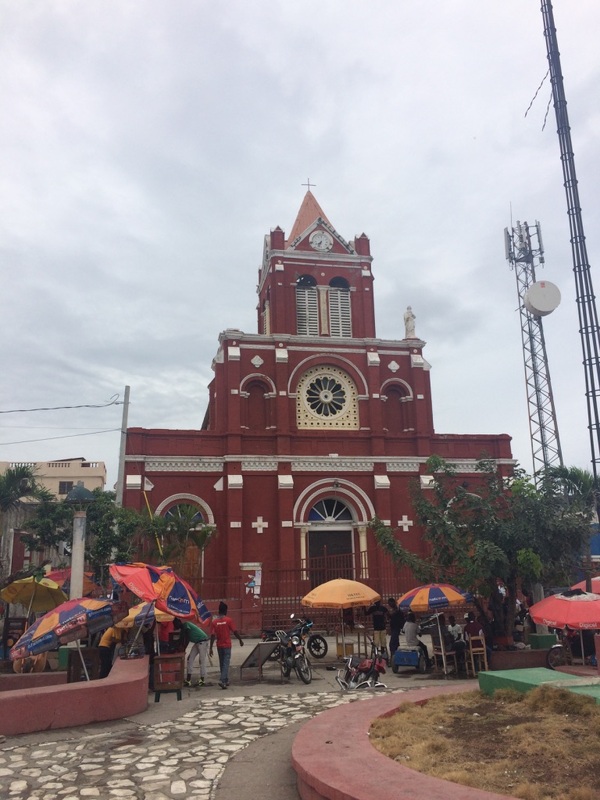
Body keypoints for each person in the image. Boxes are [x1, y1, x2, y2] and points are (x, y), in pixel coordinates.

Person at [209, 601, 244, 689]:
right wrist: (240, 640)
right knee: (226, 663)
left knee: (222, 663)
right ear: (225, 611)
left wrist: (210, 648)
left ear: (219, 611)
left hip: (219, 645)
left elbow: (212, 635)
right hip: (227, 645)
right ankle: (223, 680)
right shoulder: (228, 620)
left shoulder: (214, 622)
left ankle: (226, 679)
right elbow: (235, 631)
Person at [182, 619, 210, 687]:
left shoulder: (186, 624)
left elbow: (187, 638)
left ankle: (202, 680)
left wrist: (183, 648)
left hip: (203, 641)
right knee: (190, 659)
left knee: (201, 661)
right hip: (198, 642)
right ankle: (188, 680)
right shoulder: (184, 627)